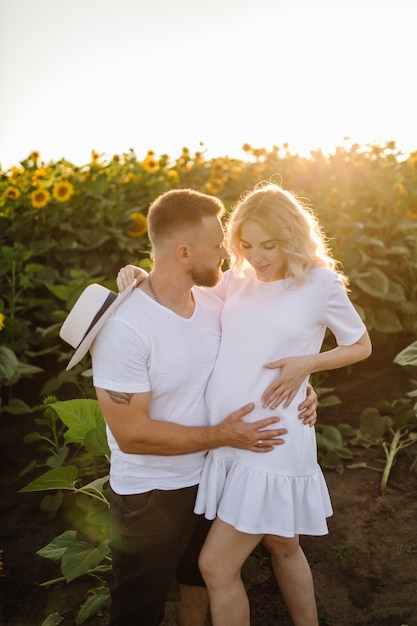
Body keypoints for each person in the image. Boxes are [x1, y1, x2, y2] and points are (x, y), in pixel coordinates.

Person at [91, 188, 318, 626]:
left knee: (198, 576)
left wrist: (304, 386)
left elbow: (263, 348)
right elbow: (131, 434)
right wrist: (225, 435)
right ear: (183, 252)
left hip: (213, 475)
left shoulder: (214, 298)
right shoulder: (126, 328)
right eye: (218, 247)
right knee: (138, 608)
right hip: (151, 493)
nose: (228, 255)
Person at [189, 183, 372, 626]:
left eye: (268, 245)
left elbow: (361, 345)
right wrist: (140, 277)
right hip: (232, 439)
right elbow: (187, 298)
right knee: (282, 544)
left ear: (291, 236)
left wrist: (305, 367)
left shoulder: (320, 284)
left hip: (272, 438)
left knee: (215, 565)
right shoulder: (236, 279)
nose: (257, 256)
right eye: (247, 245)